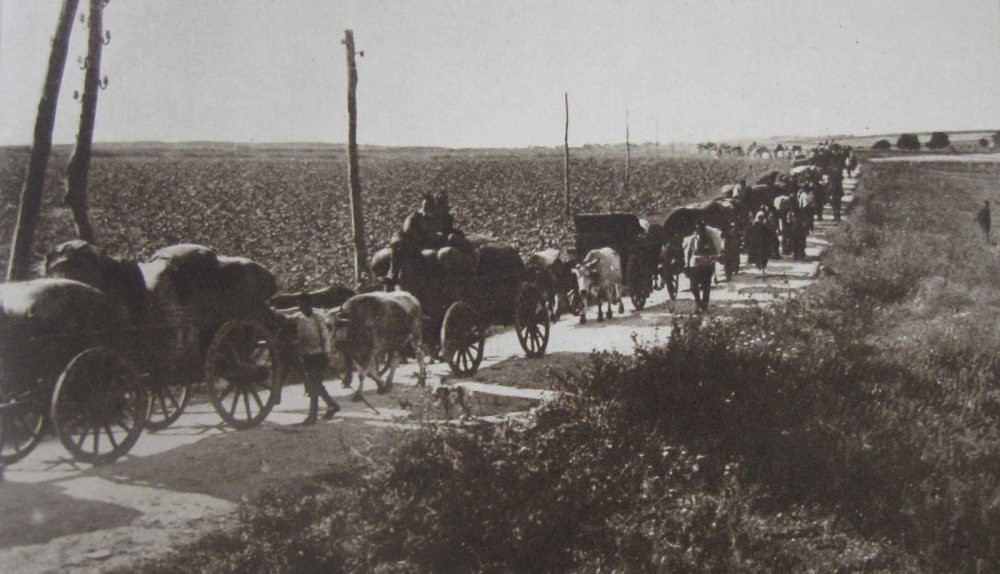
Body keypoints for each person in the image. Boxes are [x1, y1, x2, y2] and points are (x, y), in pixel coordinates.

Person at [295, 293, 340, 425]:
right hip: (307, 355)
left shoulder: (318, 318)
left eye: (303, 304)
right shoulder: (300, 318)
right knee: (315, 384)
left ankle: (312, 416)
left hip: (319, 355)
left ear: (309, 305)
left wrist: (327, 355)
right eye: (299, 304)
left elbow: (325, 338)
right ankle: (333, 405)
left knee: (314, 385)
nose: (300, 307)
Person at [387, 194, 435, 283]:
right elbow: (408, 230)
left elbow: (433, 233)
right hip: (410, 242)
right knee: (398, 246)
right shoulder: (414, 217)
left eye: (429, 207)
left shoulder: (432, 220)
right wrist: (422, 237)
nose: (426, 209)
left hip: (424, 244)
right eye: (425, 206)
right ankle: (393, 274)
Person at [684, 221, 722, 312]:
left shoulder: (709, 239)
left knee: (706, 287)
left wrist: (711, 257)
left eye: (701, 229)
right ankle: (699, 302)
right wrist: (687, 263)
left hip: (706, 266)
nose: (699, 231)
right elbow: (688, 252)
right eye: (697, 229)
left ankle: (704, 306)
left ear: (704, 230)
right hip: (695, 265)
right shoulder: (693, 239)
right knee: (693, 287)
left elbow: (713, 251)